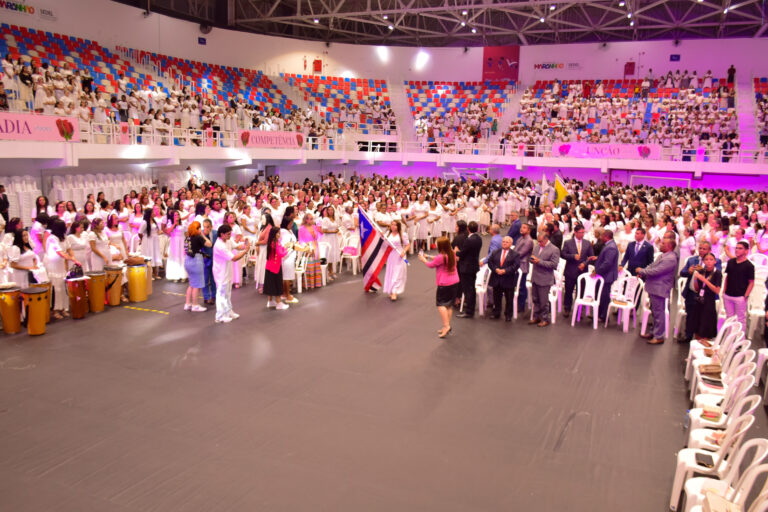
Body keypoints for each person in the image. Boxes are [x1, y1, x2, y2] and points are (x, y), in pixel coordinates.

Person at [637, 239, 679, 345]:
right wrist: (644, 271)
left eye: (663, 243)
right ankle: (653, 332)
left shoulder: (670, 258)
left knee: (659, 313)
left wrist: (642, 271)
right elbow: (652, 266)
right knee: (655, 312)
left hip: (660, 288)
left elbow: (657, 271)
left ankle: (659, 336)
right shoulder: (663, 255)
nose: (660, 244)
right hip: (654, 288)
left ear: (669, 246)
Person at [679, 241, 721, 342]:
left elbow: (716, 275)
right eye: (700, 248)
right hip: (692, 292)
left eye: (704, 249)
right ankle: (688, 335)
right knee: (690, 315)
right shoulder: (691, 260)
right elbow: (682, 273)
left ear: (709, 250)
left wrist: (704, 269)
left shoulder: (715, 261)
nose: (701, 250)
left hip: (706, 295)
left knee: (703, 317)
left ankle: (701, 338)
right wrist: (688, 271)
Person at [419, 236, 460, 338]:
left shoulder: (441, 257)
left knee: (441, 304)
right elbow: (438, 259)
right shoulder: (452, 254)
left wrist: (423, 259)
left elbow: (431, 265)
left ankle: (446, 326)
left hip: (445, 283)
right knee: (449, 305)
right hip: (454, 282)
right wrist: (428, 256)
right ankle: (447, 325)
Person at [212, 224, 250, 323]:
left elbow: (237, 246)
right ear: (222, 234)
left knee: (228, 292)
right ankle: (219, 316)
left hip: (227, 270)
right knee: (221, 294)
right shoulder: (219, 246)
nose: (230, 236)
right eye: (228, 234)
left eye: (230, 234)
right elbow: (234, 258)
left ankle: (228, 312)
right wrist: (245, 251)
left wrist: (245, 245)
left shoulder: (228, 240)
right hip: (220, 272)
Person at [722, 241, 755, 334]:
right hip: (728, 295)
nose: (737, 250)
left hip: (740, 296)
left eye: (740, 248)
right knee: (729, 318)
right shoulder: (731, 262)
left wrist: (745, 296)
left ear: (746, 251)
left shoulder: (749, 266)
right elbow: (727, 277)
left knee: (740, 320)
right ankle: (729, 339)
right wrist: (724, 291)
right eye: (736, 248)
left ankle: (739, 341)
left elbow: (751, 282)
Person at [561, 223, 593, 316]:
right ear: (575, 232)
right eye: (580, 232)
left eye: (583, 232)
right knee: (568, 290)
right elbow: (563, 254)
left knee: (581, 291)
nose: (582, 234)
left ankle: (579, 309)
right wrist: (572, 256)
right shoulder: (568, 242)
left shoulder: (587, 243)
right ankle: (567, 308)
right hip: (570, 270)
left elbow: (591, 257)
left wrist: (584, 263)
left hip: (582, 271)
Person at [529, 232, 560, 327]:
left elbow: (554, 265)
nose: (539, 243)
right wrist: (532, 259)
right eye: (538, 241)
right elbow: (532, 258)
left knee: (543, 301)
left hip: (545, 278)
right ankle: (536, 316)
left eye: (541, 241)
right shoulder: (536, 247)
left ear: (546, 239)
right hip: (535, 276)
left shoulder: (554, 249)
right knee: (535, 299)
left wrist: (539, 261)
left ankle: (545, 319)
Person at [690, 253, 722, 340]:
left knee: (705, 327)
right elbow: (696, 288)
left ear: (715, 261)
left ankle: (704, 344)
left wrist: (704, 280)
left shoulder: (717, 273)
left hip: (709, 302)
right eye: (706, 259)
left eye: (711, 259)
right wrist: (696, 279)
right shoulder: (702, 272)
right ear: (703, 261)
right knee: (697, 326)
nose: (709, 262)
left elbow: (717, 290)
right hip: (699, 300)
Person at [487, 236, 520, 321]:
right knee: (496, 297)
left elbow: (515, 266)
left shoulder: (515, 254)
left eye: (507, 242)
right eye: (503, 241)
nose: (504, 243)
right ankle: (496, 313)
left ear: (511, 244)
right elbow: (490, 262)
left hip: (508, 279)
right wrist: (495, 269)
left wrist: (505, 271)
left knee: (509, 299)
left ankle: (508, 315)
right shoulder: (495, 252)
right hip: (496, 278)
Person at [455, 221, 482, 319]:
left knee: (468, 290)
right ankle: (471, 307)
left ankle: (469, 311)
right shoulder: (478, 238)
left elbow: (462, 253)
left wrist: (456, 252)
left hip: (467, 268)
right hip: (473, 266)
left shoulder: (469, 240)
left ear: (468, 229)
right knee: (471, 289)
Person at [591, 229, 619, 323]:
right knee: (601, 295)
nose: (600, 237)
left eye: (602, 236)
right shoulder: (609, 245)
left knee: (604, 296)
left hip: (607, 276)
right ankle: (599, 314)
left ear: (606, 236)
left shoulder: (611, 247)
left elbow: (607, 263)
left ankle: (603, 316)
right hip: (605, 275)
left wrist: (597, 271)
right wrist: (598, 258)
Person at [183, 220, 210, 312]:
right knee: (197, 285)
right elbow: (209, 244)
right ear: (197, 229)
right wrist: (202, 235)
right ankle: (195, 305)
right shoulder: (198, 237)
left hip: (187, 261)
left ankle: (188, 303)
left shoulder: (187, 238)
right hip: (196, 261)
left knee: (191, 283)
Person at [382, 220, 410, 301]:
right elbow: (385, 244)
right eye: (392, 225)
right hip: (391, 255)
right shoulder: (388, 234)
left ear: (398, 226)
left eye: (395, 225)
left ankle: (394, 292)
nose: (393, 226)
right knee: (391, 272)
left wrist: (404, 251)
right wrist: (383, 237)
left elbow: (408, 245)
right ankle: (390, 290)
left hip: (400, 255)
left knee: (398, 273)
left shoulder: (403, 234)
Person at [263, 226, 289, 310]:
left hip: (270, 266)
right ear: (274, 234)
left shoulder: (273, 242)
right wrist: (287, 250)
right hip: (275, 267)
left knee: (270, 284)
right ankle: (279, 303)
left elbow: (280, 249)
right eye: (278, 233)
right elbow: (281, 254)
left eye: (279, 233)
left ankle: (270, 301)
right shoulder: (274, 244)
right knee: (277, 284)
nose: (279, 235)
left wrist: (284, 248)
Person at [515, 223, 534, 313]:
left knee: (522, 287)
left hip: (523, 266)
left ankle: (521, 306)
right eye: (521, 227)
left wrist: (510, 257)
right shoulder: (520, 238)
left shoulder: (529, 241)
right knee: (518, 286)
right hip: (517, 264)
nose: (521, 229)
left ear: (529, 230)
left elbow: (520, 253)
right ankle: (517, 303)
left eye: (524, 227)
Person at [200, 219, 217, 305]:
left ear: (211, 226)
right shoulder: (201, 234)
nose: (205, 229)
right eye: (204, 227)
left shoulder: (215, 233)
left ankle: (214, 296)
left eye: (207, 227)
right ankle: (206, 297)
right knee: (205, 280)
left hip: (214, 259)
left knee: (214, 280)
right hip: (205, 260)